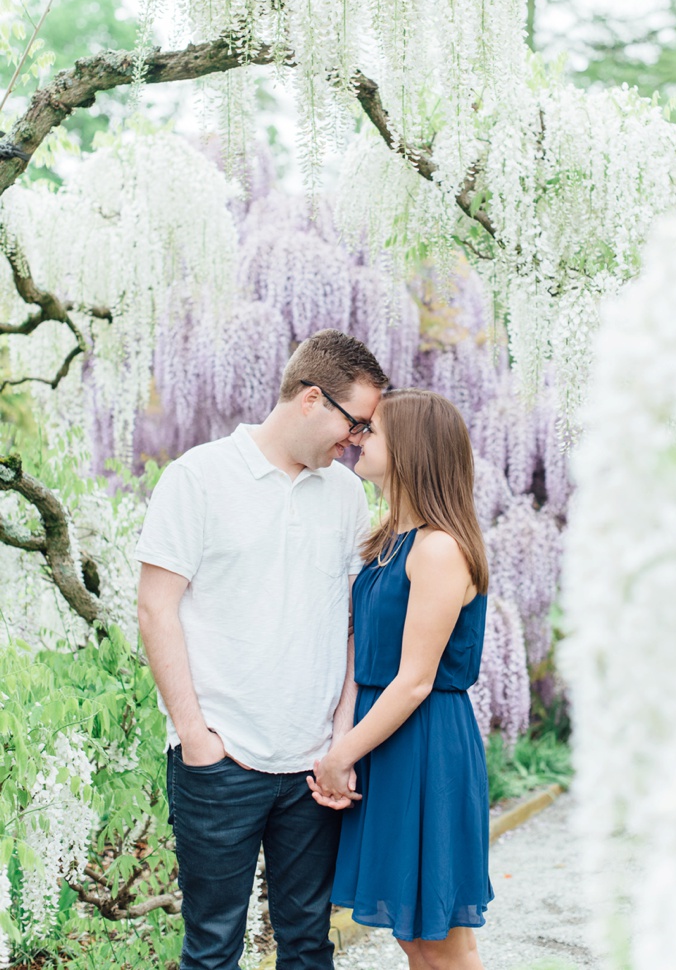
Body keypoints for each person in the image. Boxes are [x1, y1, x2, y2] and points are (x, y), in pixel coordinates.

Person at [135, 329, 388, 970]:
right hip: (222, 761)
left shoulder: (346, 495)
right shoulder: (199, 477)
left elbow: (355, 625)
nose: (358, 440)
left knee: (307, 945)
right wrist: (196, 737)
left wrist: (339, 737)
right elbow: (155, 607)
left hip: (311, 769)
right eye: (355, 422)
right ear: (311, 399)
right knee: (214, 947)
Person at [308, 388, 493, 970]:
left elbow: (414, 680)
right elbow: (362, 651)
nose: (357, 437)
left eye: (372, 431)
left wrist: (342, 756)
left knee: (441, 943)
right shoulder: (388, 540)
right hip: (385, 741)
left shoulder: (438, 549)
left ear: (412, 451)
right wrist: (345, 740)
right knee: (413, 938)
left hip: (426, 745)